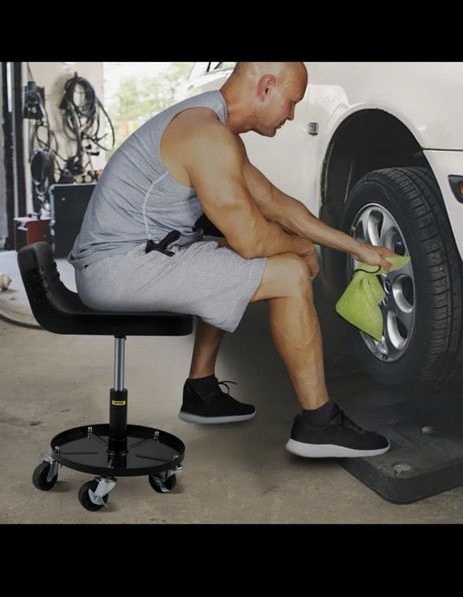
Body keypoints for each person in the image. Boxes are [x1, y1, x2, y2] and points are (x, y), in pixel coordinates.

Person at [69, 62, 395, 458]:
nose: (292, 115)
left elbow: (276, 204)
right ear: (266, 86)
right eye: (291, 102)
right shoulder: (206, 136)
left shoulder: (214, 126)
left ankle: (201, 389)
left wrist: (358, 248)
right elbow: (252, 242)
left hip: (132, 256)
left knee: (223, 250)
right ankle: (319, 423)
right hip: (117, 268)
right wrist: (302, 249)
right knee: (289, 274)